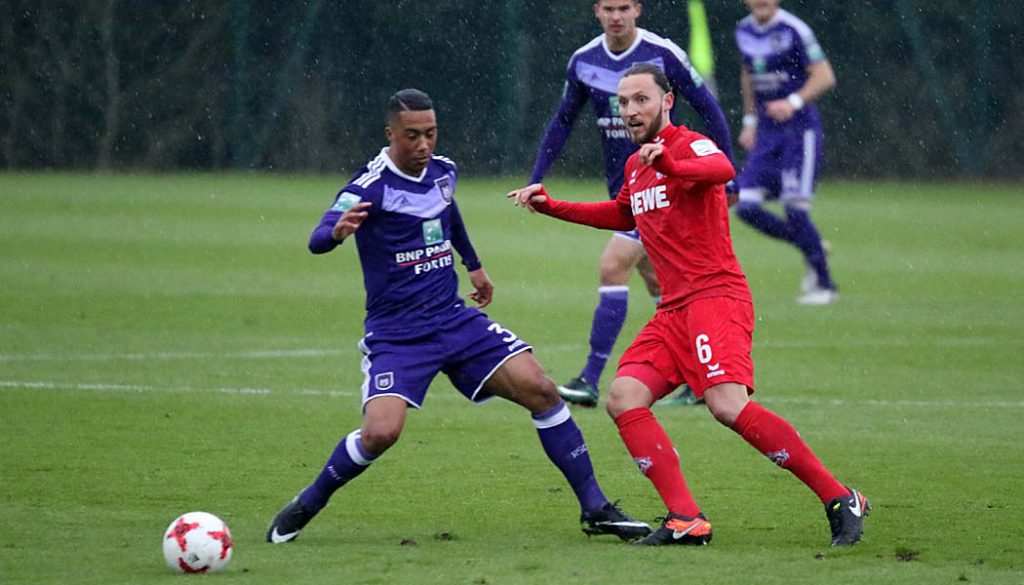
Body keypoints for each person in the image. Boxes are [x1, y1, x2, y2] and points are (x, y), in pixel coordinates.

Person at [266, 89, 651, 545]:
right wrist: (334, 231)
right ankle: (309, 501)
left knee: (543, 391)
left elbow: (449, 216)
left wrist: (473, 264)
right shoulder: (370, 185)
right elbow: (316, 239)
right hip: (399, 334)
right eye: (412, 136)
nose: (424, 145)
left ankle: (596, 508)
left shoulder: (444, 171)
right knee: (380, 433)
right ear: (391, 134)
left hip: (454, 319)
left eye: (430, 133)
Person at [509, 64, 869, 547]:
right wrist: (552, 205)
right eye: (623, 102)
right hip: (673, 312)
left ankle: (840, 496)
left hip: (716, 298)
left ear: (667, 100)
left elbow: (722, 170)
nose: (631, 110)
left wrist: (671, 164)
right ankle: (686, 519)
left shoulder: (689, 144)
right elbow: (622, 212)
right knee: (623, 398)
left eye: (641, 99)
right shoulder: (637, 165)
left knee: (726, 405)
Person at [530, 0, 733, 407]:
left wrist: (729, 172)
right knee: (659, 281)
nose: (616, 15)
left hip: (665, 191)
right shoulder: (584, 60)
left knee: (612, 265)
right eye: (608, 8)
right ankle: (696, 377)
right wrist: (537, 176)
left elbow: (707, 106)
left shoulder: (663, 53)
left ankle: (589, 378)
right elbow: (563, 119)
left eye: (624, 6)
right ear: (596, 11)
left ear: (638, 9)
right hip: (626, 190)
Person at [733, 0, 838, 305]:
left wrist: (792, 102)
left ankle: (824, 285)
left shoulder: (795, 29)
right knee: (746, 206)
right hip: (766, 135)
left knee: (795, 209)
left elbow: (824, 76)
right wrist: (750, 121)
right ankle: (811, 245)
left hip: (799, 133)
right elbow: (748, 76)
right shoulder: (743, 30)